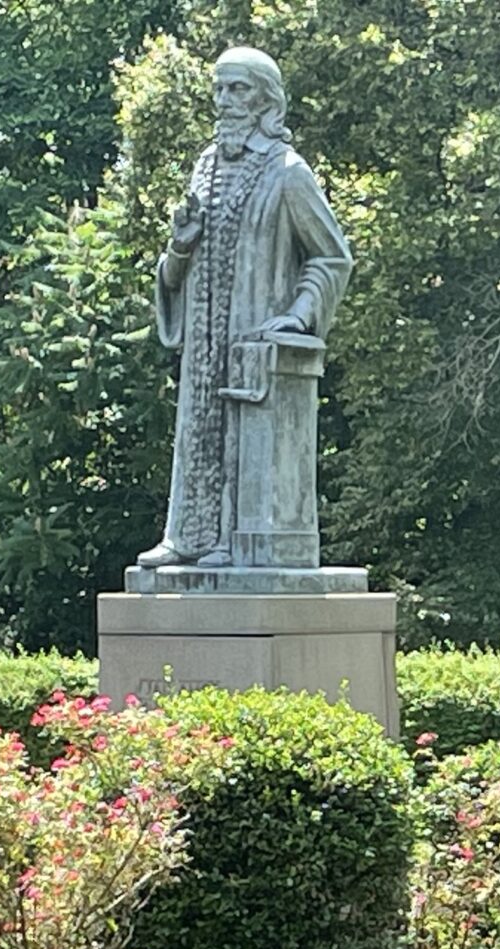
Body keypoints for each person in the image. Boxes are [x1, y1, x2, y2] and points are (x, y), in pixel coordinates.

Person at [137, 46, 353, 569]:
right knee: (198, 432)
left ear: (267, 98)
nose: (224, 101)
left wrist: (300, 316)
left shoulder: (288, 172)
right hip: (205, 341)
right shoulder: (205, 167)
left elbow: (333, 257)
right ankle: (188, 536)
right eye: (218, 89)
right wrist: (180, 245)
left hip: (254, 340)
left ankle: (232, 544)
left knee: (244, 443)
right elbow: (175, 270)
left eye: (238, 89)